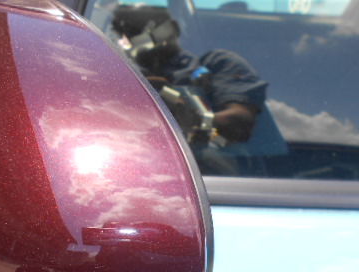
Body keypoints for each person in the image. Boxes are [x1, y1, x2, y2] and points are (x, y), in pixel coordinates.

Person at [111, 5, 286, 175]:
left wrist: (195, 119)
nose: (134, 39)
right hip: (136, 173)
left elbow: (239, 122)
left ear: (173, 28)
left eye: (141, 29)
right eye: (126, 34)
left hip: (223, 178)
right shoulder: (120, 80)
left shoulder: (216, 64)